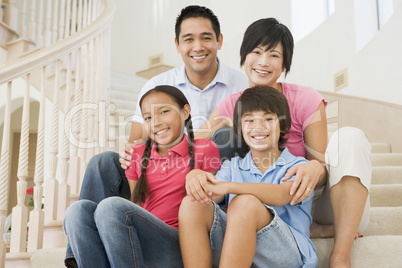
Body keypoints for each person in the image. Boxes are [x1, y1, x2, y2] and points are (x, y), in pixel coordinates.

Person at [65, 5, 247, 265]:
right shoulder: (155, 85)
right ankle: (80, 253)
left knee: (225, 136)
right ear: (177, 44)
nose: (197, 46)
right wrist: (133, 156)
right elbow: (139, 140)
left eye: (206, 37)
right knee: (100, 166)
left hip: (204, 178)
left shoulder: (239, 84)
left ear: (219, 40)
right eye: (188, 39)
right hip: (160, 169)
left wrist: (196, 139)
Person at [194, 18, 371, 268]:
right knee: (220, 140)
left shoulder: (305, 98)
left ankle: (340, 255)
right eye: (256, 52)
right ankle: (310, 229)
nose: (263, 62)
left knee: (350, 137)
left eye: (274, 55)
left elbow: (318, 167)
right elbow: (191, 142)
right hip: (257, 206)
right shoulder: (232, 104)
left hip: (316, 200)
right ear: (244, 56)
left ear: (285, 63)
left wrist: (316, 167)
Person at [64, 85, 221, 267]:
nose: (156, 123)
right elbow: (137, 205)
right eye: (148, 117)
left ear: (185, 111)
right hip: (140, 240)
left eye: (164, 112)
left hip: (178, 243)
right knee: (77, 211)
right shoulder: (137, 154)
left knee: (111, 206)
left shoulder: (205, 148)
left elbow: (210, 202)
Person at [179, 86, 317, 267]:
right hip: (239, 249)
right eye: (249, 120)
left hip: (286, 253)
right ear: (239, 128)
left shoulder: (299, 166)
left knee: (244, 203)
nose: (258, 127)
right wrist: (196, 176)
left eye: (268, 119)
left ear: (283, 125)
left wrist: (230, 187)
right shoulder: (232, 167)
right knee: (192, 202)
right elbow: (211, 194)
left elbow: (281, 194)